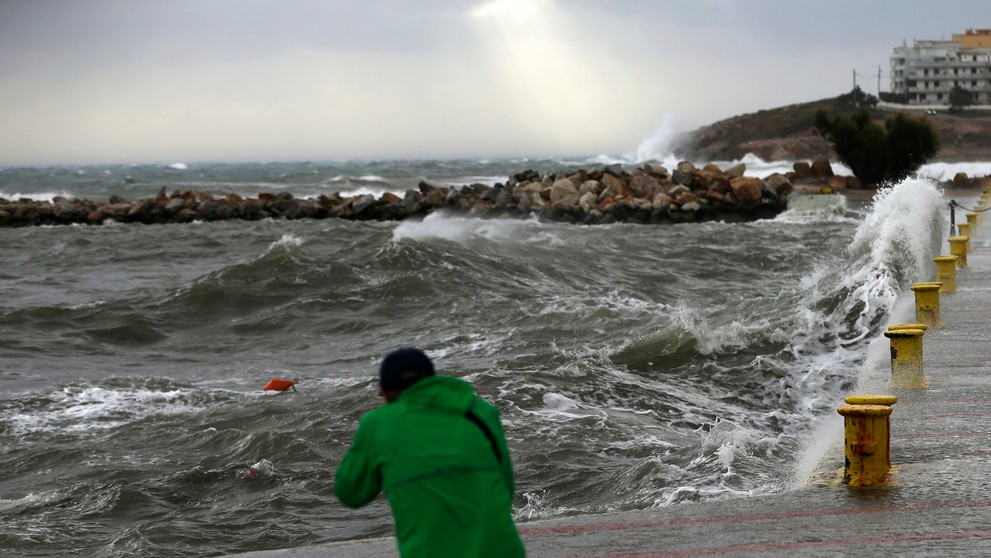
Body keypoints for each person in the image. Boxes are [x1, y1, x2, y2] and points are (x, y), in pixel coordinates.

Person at [334, 347, 526, 557]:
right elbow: (506, 484)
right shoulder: (481, 412)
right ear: (431, 381)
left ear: (386, 393)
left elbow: (350, 493)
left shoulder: (378, 423)